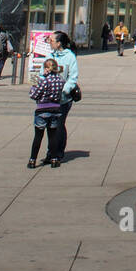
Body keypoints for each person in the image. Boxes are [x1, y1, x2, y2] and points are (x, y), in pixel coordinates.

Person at [28, 58, 66, 168]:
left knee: (38, 136)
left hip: (42, 110)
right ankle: (54, 159)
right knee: (52, 136)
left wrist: (34, 85)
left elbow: (34, 95)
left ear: (46, 68)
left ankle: (32, 160)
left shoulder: (44, 80)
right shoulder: (60, 80)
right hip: (55, 110)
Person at [49, 31, 79, 161]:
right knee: (50, 126)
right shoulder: (50, 55)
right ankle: (50, 152)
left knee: (59, 125)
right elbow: (41, 72)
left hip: (63, 98)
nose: (49, 43)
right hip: (49, 97)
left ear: (59, 43)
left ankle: (58, 153)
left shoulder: (70, 57)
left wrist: (64, 90)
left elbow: (73, 77)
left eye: (51, 41)